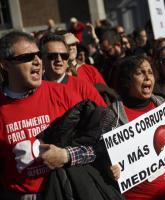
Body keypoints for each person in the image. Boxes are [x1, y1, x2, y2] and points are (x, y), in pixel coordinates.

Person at [0, 31, 95, 198]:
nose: (37, 61)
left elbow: (99, 143)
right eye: (27, 57)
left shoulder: (63, 94)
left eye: (37, 55)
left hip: (68, 189)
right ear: (5, 65)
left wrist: (66, 156)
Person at [96, 55, 165, 200]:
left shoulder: (163, 104)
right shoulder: (113, 115)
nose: (147, 77)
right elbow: (101, 154)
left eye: (150, 72)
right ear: (127, 81)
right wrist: (109, 168)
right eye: (140, 73)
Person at [39, 33, 106, 107]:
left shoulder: (83, 86)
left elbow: (105, 115)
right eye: (53, 56)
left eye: (64, 55)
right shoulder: (33, 89)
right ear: (42, 58)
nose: (59, 59)